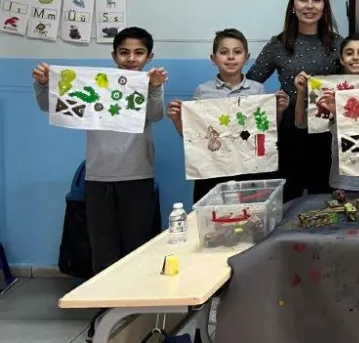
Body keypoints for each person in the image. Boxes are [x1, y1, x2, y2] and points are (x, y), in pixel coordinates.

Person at [32, 27, 167, 342]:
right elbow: (51, 104)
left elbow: (156, 114)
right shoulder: (96, 85)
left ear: (149, 57)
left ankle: (136, 310)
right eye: (124, 52)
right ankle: (107, 311)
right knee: (103, 250)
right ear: (114, 56)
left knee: (136, 247)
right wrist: (43, 83)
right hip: (98, 178)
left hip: (137, 176)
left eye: (138, 53)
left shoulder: (147, 84)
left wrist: (155, 88)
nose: (131, 58)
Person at [167, 28, 289, 203]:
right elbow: (193, 135)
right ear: (213, 59)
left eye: (237, 52)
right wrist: (177, 119)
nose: (231, 57)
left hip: (249, 167)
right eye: (224, 52)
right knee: (214, 211)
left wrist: (278, 111)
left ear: (246, 58)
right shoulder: (203, 91)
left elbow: (266, 130)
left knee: (250, 211)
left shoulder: (257, 89)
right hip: (214, 168)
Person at [247, 0, 341, 200]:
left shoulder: (337, 44)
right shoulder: (278, 44)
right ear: (293, 6)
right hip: (289, 130)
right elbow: (251, 82)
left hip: (326, 128)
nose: (310, 6)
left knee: (324, 194)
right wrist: (273, 105)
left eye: (316, 0)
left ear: (324, 7)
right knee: (289, 194)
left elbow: (353, 80)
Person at [294, 34, 359, 194]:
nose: (355, 57)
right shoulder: (328, 89)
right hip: (342, 176)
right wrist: (301, 92)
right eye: (349, 53)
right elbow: (301, 122)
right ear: (341, 59)